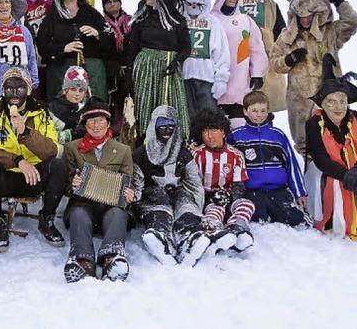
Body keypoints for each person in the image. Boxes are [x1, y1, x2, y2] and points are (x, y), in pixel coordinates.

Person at [0, 67, 67, 251]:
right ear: (3, 90)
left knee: (58, 165)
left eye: (20, 88)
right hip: (7, 175)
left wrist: (25, 133)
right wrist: (17, 160)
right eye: (9, 88)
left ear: (29, 89)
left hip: (34, 176)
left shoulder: (41, 114)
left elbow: (52, 150)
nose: (14, 93)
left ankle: (47, 219)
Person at [269, 0, 357, 155]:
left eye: (310, 15)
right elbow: (274, 62)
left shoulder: (331, 32)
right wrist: (289, 59)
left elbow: (352, 22)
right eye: (301, 16)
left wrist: (338, 0)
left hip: (330, 99)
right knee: (305, 147)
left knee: (337, 144)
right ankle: (310, 178)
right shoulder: (288, 36)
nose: (305, 20)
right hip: (300, 101)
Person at [63, 101, 135, 283]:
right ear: (85, 125)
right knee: (78, 213)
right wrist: (73, 184)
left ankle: (112, 257)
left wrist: (129, 194)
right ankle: (83, 260)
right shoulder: (72, 148)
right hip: (83, 203)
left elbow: (128, 181)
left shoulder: (123, 150)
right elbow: (65, 183)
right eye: (91, 121)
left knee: (119, 213)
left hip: (109, 207)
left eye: (101, 120)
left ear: (108, 123)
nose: (96, 125)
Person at [131, 105, 210, 266]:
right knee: (158, 204)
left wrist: (197, 206)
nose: (167, 130)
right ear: (154, 126)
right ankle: (160, 237)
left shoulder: (182, 152)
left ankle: (190, 237)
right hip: (153, 195)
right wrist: (134, 205)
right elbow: (136, 182)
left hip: (177, 192)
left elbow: (193, 181)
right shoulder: (141, 154)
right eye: (162, 126)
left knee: (185, 202)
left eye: (171, 126)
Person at [38, 0, 115, 102]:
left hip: (91, 68)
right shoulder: (52, 17)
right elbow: (42, 45)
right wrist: (63, 48)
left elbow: (110, 38)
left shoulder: (91, 13)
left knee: (93, 103)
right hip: (60, 69)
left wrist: (97, 34)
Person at [228, 91, 308, 226]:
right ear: (245, 111)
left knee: (295, 220)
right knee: (258, 221)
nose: (259, 115)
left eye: (263, 110)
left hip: (278, 190)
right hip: (252, 191)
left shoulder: (277, 135)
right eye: (254, 111)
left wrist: (300, 192)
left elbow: (291, 165)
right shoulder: (236, 136)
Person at [128, 0, 190, 139]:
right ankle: (145, 139)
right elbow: (133, 46)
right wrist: (130, 70)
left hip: (168, 67)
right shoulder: (141, 18)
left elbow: (186, 47)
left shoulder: (176, 20)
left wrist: (176, 61)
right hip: (145, 67)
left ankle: (174, 140)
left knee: (169, 102)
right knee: (145, 103)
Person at [211, 0, 268, 129]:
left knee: (238, 126)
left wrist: (257, 73)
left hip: (240, 83)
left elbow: (256, 49)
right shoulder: (210, 19)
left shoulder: (245, 20)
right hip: (215, 83)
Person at [305, 54, 357, 238]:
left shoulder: (355, 118)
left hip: (354, 166)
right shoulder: (313, 124)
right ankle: (334, 219)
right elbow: (320, 158)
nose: (338, 107)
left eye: (342, 101)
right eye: (332, 102)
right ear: (323, 104)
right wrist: (345, 174)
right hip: (328, 170)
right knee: (334, 182)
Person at [191, 107, 255, 253]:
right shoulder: (196, 155)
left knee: (247, 204)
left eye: (214, 130)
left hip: (229, 197)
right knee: (215, 209)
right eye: (205, 131)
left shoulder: (236, 155)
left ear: (223, 132)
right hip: (208, 201)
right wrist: (209, 196)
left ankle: (237, 228)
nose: (209, 136)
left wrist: (230, 196)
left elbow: (239, 184)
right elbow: (192, 184)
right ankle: (214, 233)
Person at [179, 0, 230, 120]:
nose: (194, 2)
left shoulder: (213, 23)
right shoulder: (179, 21)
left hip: (206, 78)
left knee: (209, 116)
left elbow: (221, 52)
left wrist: (221, 78)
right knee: (186, 116)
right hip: (183, 77)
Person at [240, 0, 287, 112]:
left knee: (265, 103)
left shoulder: (270, 4)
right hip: (238, 57)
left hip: (265, 57)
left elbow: (281, 31)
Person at [49, 65, 91, 145]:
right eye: (73, 89)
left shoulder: (88, 107)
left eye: (81, 90)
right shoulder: (54, 108)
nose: (77, 94)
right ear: (65, 90)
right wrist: (73, 133)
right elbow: (50, 136)